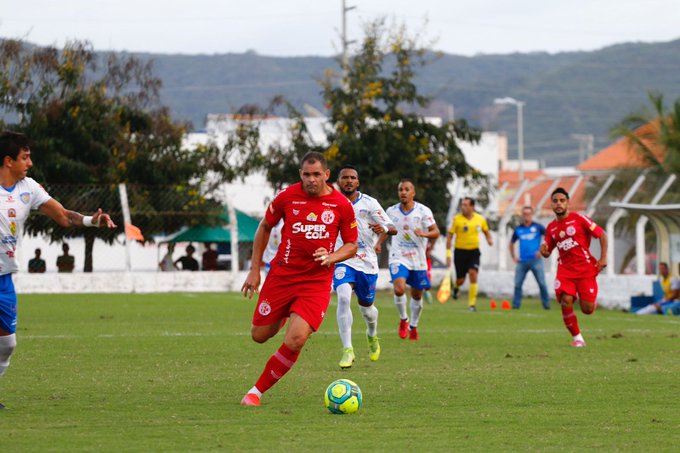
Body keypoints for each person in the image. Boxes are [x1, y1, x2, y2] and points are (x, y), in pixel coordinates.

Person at [0, 131, 116, 409]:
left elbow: (63, 216)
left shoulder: (29, 188)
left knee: (7, 345)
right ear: (8, 161)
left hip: (4, 277)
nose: (30, 162)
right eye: (25, 157)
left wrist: (91, 221)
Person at [240, 151, 357, 407]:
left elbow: (351, 245)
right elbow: (264, 226)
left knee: (296, 339)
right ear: (300, 175)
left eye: (317, 174)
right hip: (282, 276)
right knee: (259, 335)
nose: (311, 180)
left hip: (316, 283)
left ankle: (255, 393)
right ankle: (286, 313)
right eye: (306, 174)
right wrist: (255, 269)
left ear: (327, 175)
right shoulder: (287, 196)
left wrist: (332, 257)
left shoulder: (341, 205)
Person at [333, 165, 396, 368]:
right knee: (343, 297)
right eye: (345, 178)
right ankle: (347, 350)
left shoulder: (369, 203)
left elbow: (392, 228)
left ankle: (372, 334)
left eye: (352, 178)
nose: (349, 181)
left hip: (366, 262)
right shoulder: (330, 202)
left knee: (367, 309)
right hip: (342, 258)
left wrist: (383, 227)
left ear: (357, 182)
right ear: (339, 181)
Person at [540, 187, 608, 347]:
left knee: (587, 309)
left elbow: (602, 234)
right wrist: (544, 251)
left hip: (585, 269)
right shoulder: (551, 228)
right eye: (555, 201)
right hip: (565, 271)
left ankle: (589, 299)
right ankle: (578, 338)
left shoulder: (580, 219)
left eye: (562, 201)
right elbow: (547, 250)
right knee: (566, 300)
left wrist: (603, 258)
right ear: (551, 204)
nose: (558, 204)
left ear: (568, 203)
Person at [386, 179, 440, 340]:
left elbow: (436, 232)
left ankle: (414, 326)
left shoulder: (423, 211)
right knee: (399, 289)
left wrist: (425, 234)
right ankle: (403, 319)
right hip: (398, 255)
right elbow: (386, 229)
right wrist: (378, 243)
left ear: (413, 193)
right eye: (401, 189)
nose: (403, 192)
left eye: (407, 189)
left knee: (417, 295)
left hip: (418, 258)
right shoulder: (391, 211)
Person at [445, 197, 493, 311]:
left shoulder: (480, 219)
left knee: (473, 274)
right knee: (460, 280)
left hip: (474, 252)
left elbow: (486, 231)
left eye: (466, 205)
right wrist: (448, 254)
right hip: (460, 252)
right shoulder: (456, 219)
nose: (463, 207)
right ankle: (456, 288)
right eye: (462, 204)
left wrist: (489, 239)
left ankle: (472, 305)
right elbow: (450, 236)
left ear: (472, 207)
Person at [509, 206, 550, 309]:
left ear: (532, 215)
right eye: (525, 214)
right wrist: (514, 257)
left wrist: (541, 251)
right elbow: (511, 243)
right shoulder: (519, 229)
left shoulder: (538, 227)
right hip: (522, 261)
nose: (527, 216)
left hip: (535, 260)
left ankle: (546, 305)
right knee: (517, 284)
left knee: (542, 283)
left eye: (529, 214)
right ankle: (515, 305)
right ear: (522, 215)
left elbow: (549, 237)